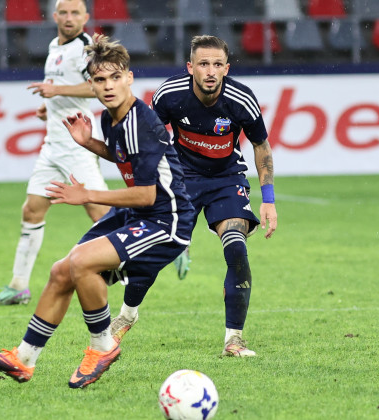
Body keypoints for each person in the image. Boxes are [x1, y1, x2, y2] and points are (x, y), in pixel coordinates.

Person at [0, 34, 195, 388]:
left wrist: (86, 195)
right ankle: (24, 358)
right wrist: (90, 144)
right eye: (100, 80)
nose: (108, 86)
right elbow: (125, 157)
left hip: (166, 219)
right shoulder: (111, 118)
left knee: (81, 263)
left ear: (129, 78)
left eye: (114, 78)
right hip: (142, 214)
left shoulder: (142, 121)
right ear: (91, 84)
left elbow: (146, 195)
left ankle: (102, 346)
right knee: (62, 270)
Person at [111, 35, 278, 357]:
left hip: (226, 180)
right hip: (181, 179)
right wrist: (146, 188)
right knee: (155, 251)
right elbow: (149, 145)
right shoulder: (170, 95)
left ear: (226, 68)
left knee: (236, 247)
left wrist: (268, 199)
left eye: (217, 64)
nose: (211, 71)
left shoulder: (241, 99)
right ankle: (127, 314)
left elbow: (262, 147)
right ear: (191, 67)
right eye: (203, 64)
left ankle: (234, 339)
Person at [0, 0, 109, 306]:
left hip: (77, 144)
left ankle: (138, 262)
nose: (69, 18)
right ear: (54, 16)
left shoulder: (87, 48)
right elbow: (64, 86)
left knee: (100, 212)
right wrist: (49, 105)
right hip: (52, 144)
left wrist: (57, 92)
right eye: (63, 12)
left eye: (75, 13)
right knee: (32, 210)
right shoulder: (55, 46)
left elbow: (98, 87)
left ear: (85, 17)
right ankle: (18, 286)